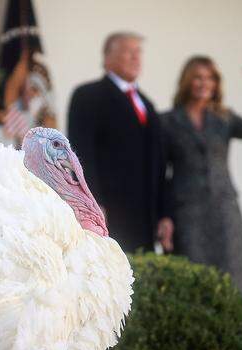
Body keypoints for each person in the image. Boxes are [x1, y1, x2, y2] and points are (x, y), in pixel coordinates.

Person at [161, 55, 242, 296]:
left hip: (224, 208)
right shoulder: (167, 121)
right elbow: (162, 174)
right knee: (193, 278)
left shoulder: (224, 118)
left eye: (210, 78)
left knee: (235, 277)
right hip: (187, 212)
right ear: (187, 81)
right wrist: (165, 216)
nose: (204, 83)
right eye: (198, 77)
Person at [67, 32, 172, 253]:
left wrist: (163, 213)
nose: (136, 58)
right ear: (107, 58)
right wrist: (92, 204)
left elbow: (159, 164)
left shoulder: (148, 104)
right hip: (109, 214)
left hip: (145, 219)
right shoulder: (88, 96)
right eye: (128, 51)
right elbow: (81, 154)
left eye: (138, 52)